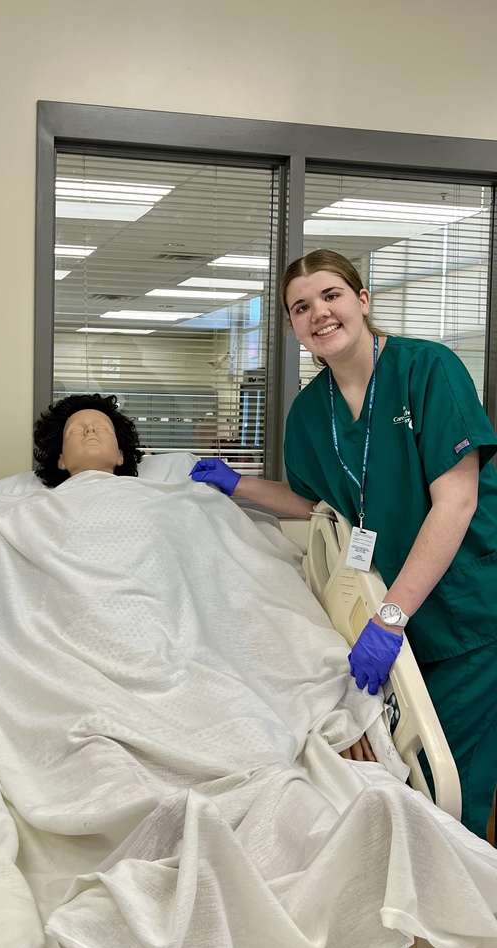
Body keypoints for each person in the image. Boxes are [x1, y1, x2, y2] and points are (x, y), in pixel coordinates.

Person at [190, 248, 497, 842]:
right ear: (292, 325)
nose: (319, 314)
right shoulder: (310, 412)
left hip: (464, 604)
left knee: (451, 768)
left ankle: (460, 911)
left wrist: (389, 617)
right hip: (394, 608)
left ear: (362, 301)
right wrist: (237, 484)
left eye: (331, 296)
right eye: (300, 307)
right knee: (406, 769)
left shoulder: (427, 369)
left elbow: (456, 502)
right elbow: (319, 505)